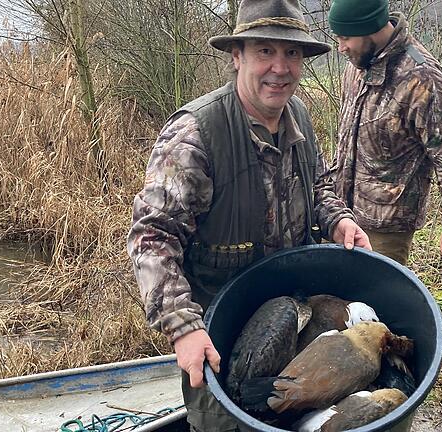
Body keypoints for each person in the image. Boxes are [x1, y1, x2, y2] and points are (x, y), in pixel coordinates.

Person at [127, 0, 371, 430]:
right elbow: (152, 238)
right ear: (236, 55)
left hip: (294, 318)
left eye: (292, 53)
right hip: (221, 334)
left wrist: (338, 219)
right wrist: (183, 327)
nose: (280, 68)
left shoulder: (298, 117)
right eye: (265, 51)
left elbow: (318, 186)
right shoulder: (197, 135)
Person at [326, 0, 442, 265]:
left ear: (369, 28)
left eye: (346, 38)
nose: (341, 47)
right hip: (343, 210)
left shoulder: (421, 76)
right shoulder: (358, 65)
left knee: (375, 300)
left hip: (387, 224)